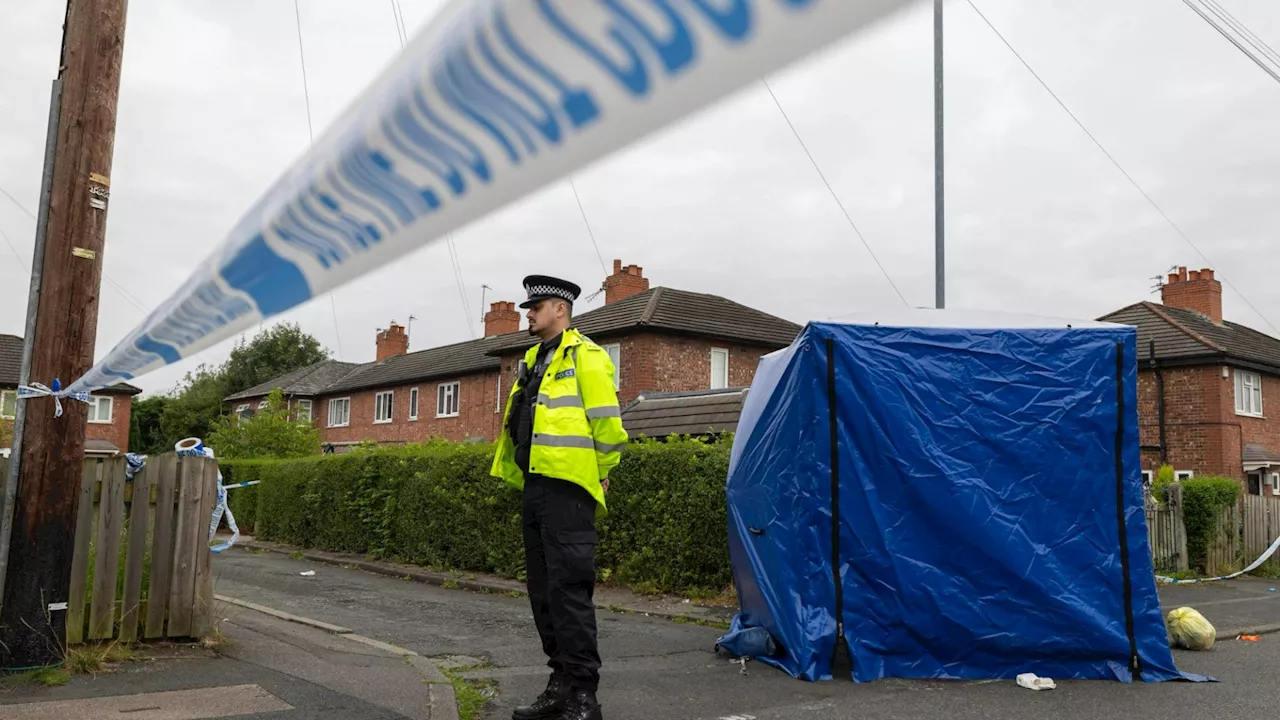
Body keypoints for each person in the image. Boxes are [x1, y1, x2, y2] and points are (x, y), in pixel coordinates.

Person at [491, 274, 628, 720]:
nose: (528, 314)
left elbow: (608, 425)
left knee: (569, 591)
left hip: (570, 490)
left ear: (560, 310)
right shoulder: (532, 359)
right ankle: (560, 684)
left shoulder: (586, 356)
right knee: (543, 593)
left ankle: (584, 696)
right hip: (535, 487)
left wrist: (599, 473)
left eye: (535, 307)